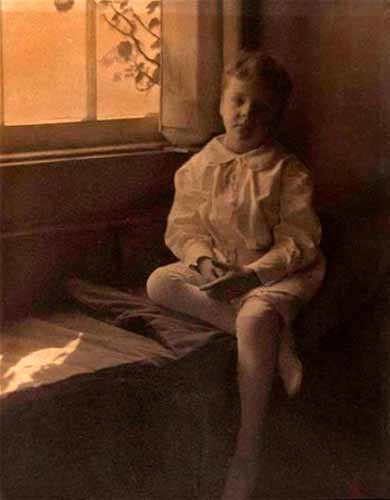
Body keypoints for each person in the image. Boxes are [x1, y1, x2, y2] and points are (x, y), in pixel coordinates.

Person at [146, 50, 326, 500]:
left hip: (278, 270)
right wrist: (204, 262)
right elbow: (183, 228)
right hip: (221, 268)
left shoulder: (286, 171)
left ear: (275, 117)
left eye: (260, 108)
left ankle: (247, 455)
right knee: (159, 282)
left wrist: (251, 276)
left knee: (252, 317)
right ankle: (277, 344)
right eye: (238, 101)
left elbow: (298, 242)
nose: (246, 114)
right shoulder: (199, 166)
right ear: (222, 104)